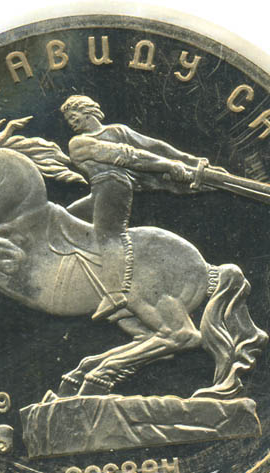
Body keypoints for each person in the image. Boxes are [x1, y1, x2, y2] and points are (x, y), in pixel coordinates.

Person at [61, 95, 211, 321]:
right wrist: (170, 165)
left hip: (113, 186)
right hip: (99, 191)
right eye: (68, 120)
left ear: (88, 111)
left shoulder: (117, 131)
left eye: (74, 117)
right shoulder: (78, 143)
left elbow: (144, 150)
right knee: (63, 218)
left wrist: (187, 160)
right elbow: (131, 155)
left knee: (109, 233)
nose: (71, 123)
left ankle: (115, 293)